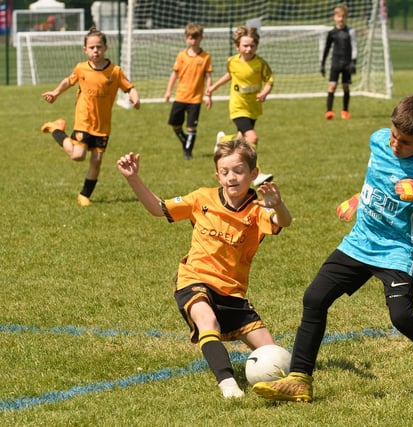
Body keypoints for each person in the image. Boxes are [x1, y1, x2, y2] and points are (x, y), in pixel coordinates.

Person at [252, 94, 413, 404]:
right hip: (362, 239)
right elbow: (379, 176)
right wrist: (361, 199)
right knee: (315, 298)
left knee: (402, 317)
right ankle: (300, 379)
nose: (395, 144)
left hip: (399, 248)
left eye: (406, 142)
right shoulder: (378, 140)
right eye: (393, 135)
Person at [116, 138, 293, 399]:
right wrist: (133, 178)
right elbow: (158, 208)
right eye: (225, 172)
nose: (231, 177)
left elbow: (283, 221)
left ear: (253, 174)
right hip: (194, 279)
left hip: (232, 292)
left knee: (275, 357)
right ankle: (228, 384)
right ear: (217, 175)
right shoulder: (202, 198)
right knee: (206, 320)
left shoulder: (257, 209)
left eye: (239, 171)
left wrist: (277, 204)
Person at [41, 26, 140, 207]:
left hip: (103, 125)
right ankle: (56, 129)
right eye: (92, 47)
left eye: (99, 47)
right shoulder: (81, 68)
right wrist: (55, 93)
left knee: (97, 160)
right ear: (85, 49)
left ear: (105, 48)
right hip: (84, 120)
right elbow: (68, 81)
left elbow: (129, 87)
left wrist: (135, 97)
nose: (96, 51)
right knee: (78, 155)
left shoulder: (115, 71)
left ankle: (84, 195)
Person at [206, 26, 274, 187]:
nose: (249, 48)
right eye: (245, 45)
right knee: (252, 138)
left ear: (256, 46)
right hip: (237, 106)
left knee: (240, 139)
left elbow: (269, 80)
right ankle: (255, 173)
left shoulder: (260, 64)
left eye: (252, 45)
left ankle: (222, 140)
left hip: (253, 107)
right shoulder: (232, 61)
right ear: (238, 46)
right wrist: (212, 88)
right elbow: (230, 75)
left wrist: (264, 92)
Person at [164, 23, 213, 160]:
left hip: (195, 99)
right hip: (181, 96)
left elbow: (208, 76)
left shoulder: (205, 57)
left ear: (201, 38)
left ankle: (188, 152)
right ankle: (186, 141)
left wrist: (208, 95)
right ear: (186, 38)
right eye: (191, 38)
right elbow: (174, 74)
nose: (194, 41)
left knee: (191, 127)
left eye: (196, 38)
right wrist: (168, 91)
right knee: (174, 123)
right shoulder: (181, 56)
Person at [321, 3, 358, 120]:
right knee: (332, 86)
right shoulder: (332, 33)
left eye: (343, 16)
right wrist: (322, 63)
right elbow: (326, 48)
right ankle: (329, 111)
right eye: (338, 16)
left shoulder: (351, 32)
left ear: (346, 18)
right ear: (334, 17)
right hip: (335, 63)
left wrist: (354, 62)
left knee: (346, 87)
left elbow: (355, 47)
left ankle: (345, 111)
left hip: (347, 64)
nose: (341, 19)